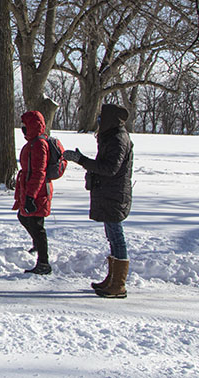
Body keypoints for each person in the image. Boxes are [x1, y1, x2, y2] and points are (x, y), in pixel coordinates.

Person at [62, 103, 134, 298]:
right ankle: (112, 278)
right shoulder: (111, 137)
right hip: (109, 193)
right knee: (112, 236)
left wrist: (82, 160)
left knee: (117, 236)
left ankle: (118, 284)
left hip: (114, 195)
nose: (99, 121)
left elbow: (110, 168)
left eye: (102, 118)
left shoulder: (118, 139)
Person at [13, 110, 54, 275]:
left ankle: (43, 262)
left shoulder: (39, 144)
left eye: (25, 125)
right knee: (25, 217)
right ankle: (38, 247)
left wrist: (31, 195)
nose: (23, 128)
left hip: (38, 190)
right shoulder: (32, 142)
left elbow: (39, 172)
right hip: (30, 188)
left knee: (36, 224)